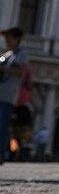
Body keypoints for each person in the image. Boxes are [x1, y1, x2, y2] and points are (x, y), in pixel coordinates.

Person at [0, 27, 29, 165]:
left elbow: (21, 72)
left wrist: (4, 69)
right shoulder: (7, 54)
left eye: (9, 38)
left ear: (17, 39)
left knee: (2, 125)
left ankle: (1, 153)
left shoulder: (21, 54)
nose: (6, 40)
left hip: (8, 96)